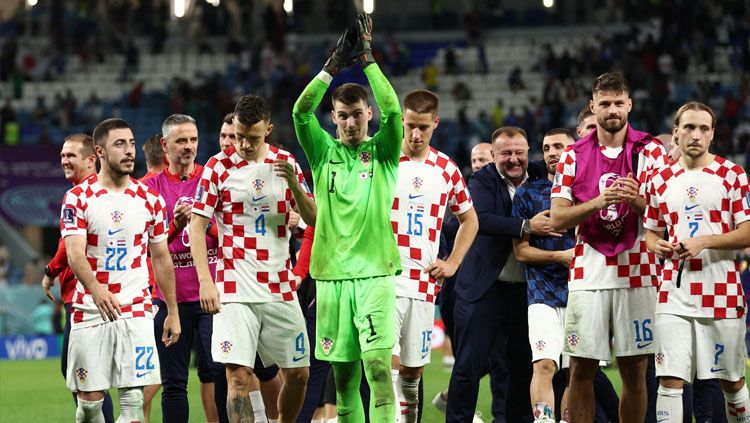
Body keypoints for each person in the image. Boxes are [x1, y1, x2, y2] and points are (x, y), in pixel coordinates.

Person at [292, 13, 402, 422]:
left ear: (367, 114)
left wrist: (369, 59)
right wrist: (330, 68)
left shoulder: (385, 151)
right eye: (343, 115)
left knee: (377, 369)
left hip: (375, 274)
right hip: (332, 276)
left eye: (358, 114)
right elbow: (301, 114)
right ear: (334, 118)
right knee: (342, 381)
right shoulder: (323, 154)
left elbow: (395, 113)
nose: (351, 122)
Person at [549, 72, 668, 422]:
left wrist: (639, 203)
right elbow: (558, 219)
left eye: (619, 103)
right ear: (592, 106)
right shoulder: (572, 155)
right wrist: (598, 201)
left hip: (638, 270)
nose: (612, 110)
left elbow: (666, 216)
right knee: (580, 371)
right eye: (605, 104)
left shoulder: (651, 151)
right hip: (589, 273)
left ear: (629, 104)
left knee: (635, 372)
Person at [191, 94, 314, 422]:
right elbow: (197, 225)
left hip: (279, 286)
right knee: (238, 378)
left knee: (300, 373)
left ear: (269, 130)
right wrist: (207, 281)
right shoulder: (218, 167)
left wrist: (295, 187)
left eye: (252, 138)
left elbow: (314, 219)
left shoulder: (285, 162)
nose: (243, 144)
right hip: (234, 289)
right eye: (239, 136)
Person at [61, 118, 181, 423]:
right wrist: (97, 291)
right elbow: (75, 254)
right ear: (100, 152)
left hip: (136, 310)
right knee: (90, 405)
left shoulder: (150, 201)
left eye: (130, 143)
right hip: (90, 310)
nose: (129, 151)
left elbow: (161, 258)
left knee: (132, 400)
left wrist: (172, 310)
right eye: (119, 144)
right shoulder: (77, 198)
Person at [645, 101, 750, 423]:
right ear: (676, 133)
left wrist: (703, 241)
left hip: (722, 292)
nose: (695, 134)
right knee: (669, 379)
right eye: (688, 127)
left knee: (731, 380)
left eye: (704, 128)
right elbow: (650, 234)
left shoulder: (732, 174)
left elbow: (746, 233)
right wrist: (658, 246)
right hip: (673, 294)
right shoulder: (659, 179)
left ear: (712, 134)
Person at [446, 126, 558, 422]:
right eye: (505, 153)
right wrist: (527, 226)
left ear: (528, 153)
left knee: (521, 369)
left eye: (519, 153)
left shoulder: (537, 174)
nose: (513, 159)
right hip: (484, 290)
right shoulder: (481, 180)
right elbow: (480, 219)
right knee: (468, 368)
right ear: (493, 154)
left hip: (525, 292)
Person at [391, 89, 478, 422]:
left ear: (435, 124)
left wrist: (453, 262)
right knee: (387, 367)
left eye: (423, 128)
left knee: (413, 376)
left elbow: (470, 219)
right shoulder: (383, 161)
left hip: (425, 284)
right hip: (385, 279)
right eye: (410, 125)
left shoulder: (445, 169)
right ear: (401, 120)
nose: (415, 135)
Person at [141, 114, 219, 423]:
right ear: (165, 145)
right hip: (169, 299)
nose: (188, 147)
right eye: (181, 141)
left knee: (219, 373)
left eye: (193, 140)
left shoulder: (212, 178)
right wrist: (174, 226)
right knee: (173, 384)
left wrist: (202, 223)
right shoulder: (148, 188)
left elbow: (227, 235)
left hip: (211, 294)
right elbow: (146, 247)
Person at [42, 134, 115, 423]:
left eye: (71, 155)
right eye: (62, 155)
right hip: (99, 293)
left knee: (84, 376)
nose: (64, 160)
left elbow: (67, 247)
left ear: (91, 159)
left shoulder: (80, 195)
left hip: (86, 296)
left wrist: (50, 271)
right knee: (88, 376)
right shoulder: (104, 191)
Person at [512, 129, 576, 422]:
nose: (552, 152)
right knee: (545, 365)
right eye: (547, 147)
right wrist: (560, 257)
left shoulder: (587, 192)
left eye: (559, 146)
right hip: (542, 294)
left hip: (582, 292)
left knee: (578, 370)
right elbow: (521, 253)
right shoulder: (529, 192)